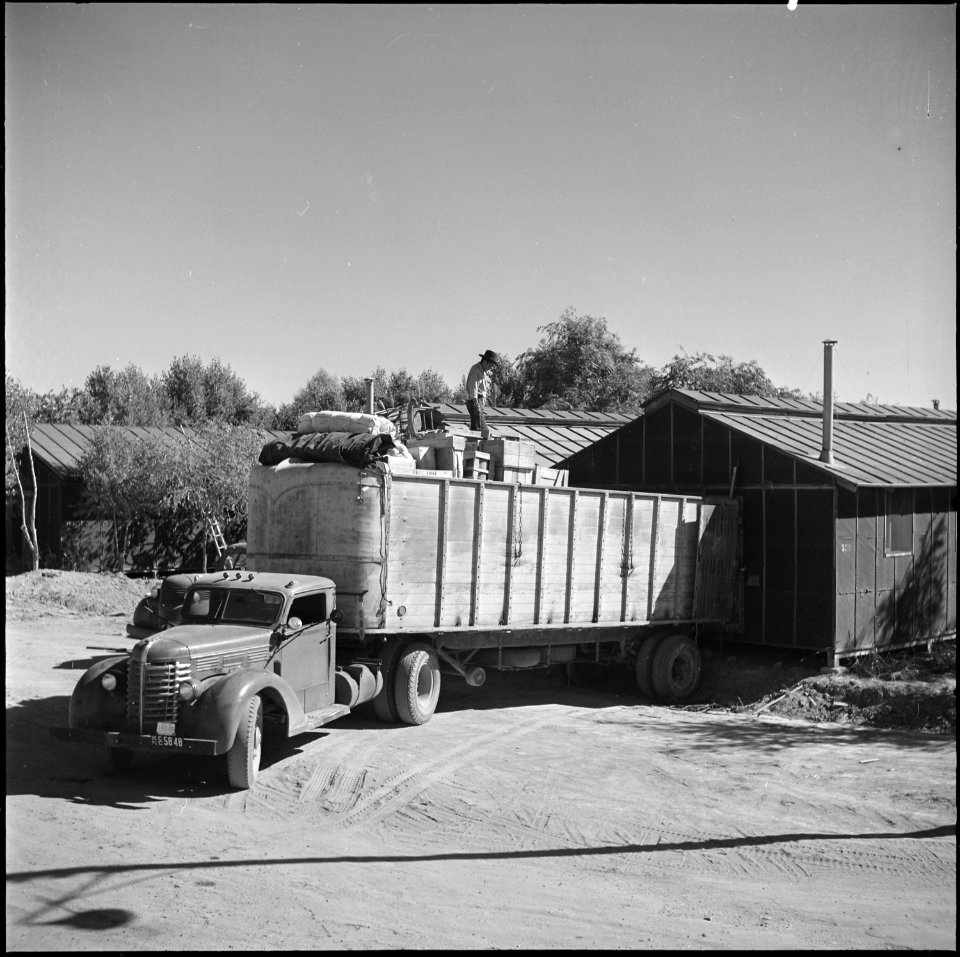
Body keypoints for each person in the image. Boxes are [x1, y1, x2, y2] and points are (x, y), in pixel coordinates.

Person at [465, 349, 502, 438]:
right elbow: (473, 387)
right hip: (475, 401)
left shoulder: (481, 371)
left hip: (478, 402)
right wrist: (476, 403)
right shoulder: (476, 370)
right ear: (485, 362)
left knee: (475, 429)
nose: (490, 368)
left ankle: (473, 447)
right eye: (490, 366)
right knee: (484, 430)